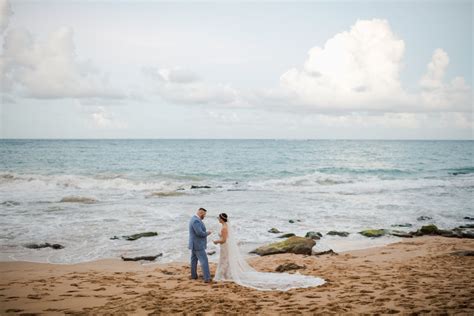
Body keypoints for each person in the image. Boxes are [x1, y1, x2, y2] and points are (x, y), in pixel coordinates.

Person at [213, 213, 325, 291]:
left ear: (222, 219)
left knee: (225, 260)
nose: (218, 219)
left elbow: (223, 240)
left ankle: (224, 275)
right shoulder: (226, 226)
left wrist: (216, 241)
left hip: (224, 247)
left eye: (218, 218)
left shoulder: (224, 228)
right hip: (226, 247)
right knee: (226, 260)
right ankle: (227, 274)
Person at [188, 207, 212, 283]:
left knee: (194, 260)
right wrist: (207, 233)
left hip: (194, 244)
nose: (204, 216)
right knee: (204, 261)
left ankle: (193, 276)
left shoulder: (194, 219)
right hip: (197, 244)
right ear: (201, 213)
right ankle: (207, 278)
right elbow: (199, 233)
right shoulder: (196, 221)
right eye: (204, 215)